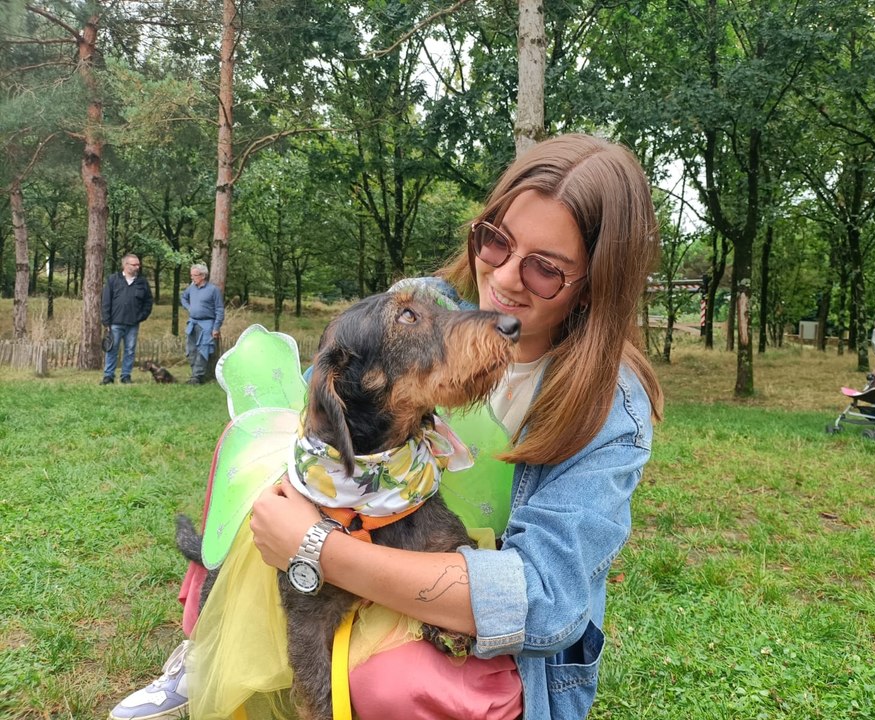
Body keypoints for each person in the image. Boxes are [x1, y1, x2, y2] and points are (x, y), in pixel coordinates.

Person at [109, 133, 663, 720]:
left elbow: (543, 602)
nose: (501, 278)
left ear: (592, 288)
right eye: (496, 240)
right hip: (374, 534)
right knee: (245, 449)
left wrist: (315, 548)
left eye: (546, 269)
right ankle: (204, 647)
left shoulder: (612, 409)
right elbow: (328, 393)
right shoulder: (427, 302)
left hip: (479, 624)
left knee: (392, 682)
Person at [101, 253, 153, 385]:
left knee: (130, 350)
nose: (137, 267)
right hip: (115, 322)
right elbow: (106, 301)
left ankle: (126, 376)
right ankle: (108, 376)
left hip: (133, 323)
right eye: (134, 264)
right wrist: (106, 321)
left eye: (138, 264)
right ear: (125, 265)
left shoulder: (142, 282)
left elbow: (148, 301)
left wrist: (141, 316)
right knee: (112, 349)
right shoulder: (113, 279)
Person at [180, 263, 224, 385]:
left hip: (207, 324)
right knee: (191, 349)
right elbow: (183, 297)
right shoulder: (191, 287)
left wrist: (216, 328)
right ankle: (194, 375)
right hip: (192, 322)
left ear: (203, 276)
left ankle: (197, 377)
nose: (192, 278)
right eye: (191, 275)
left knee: (203, 350)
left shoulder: (213, 290)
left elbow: (219, 310)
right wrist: (189, 307)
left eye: (195, 275)